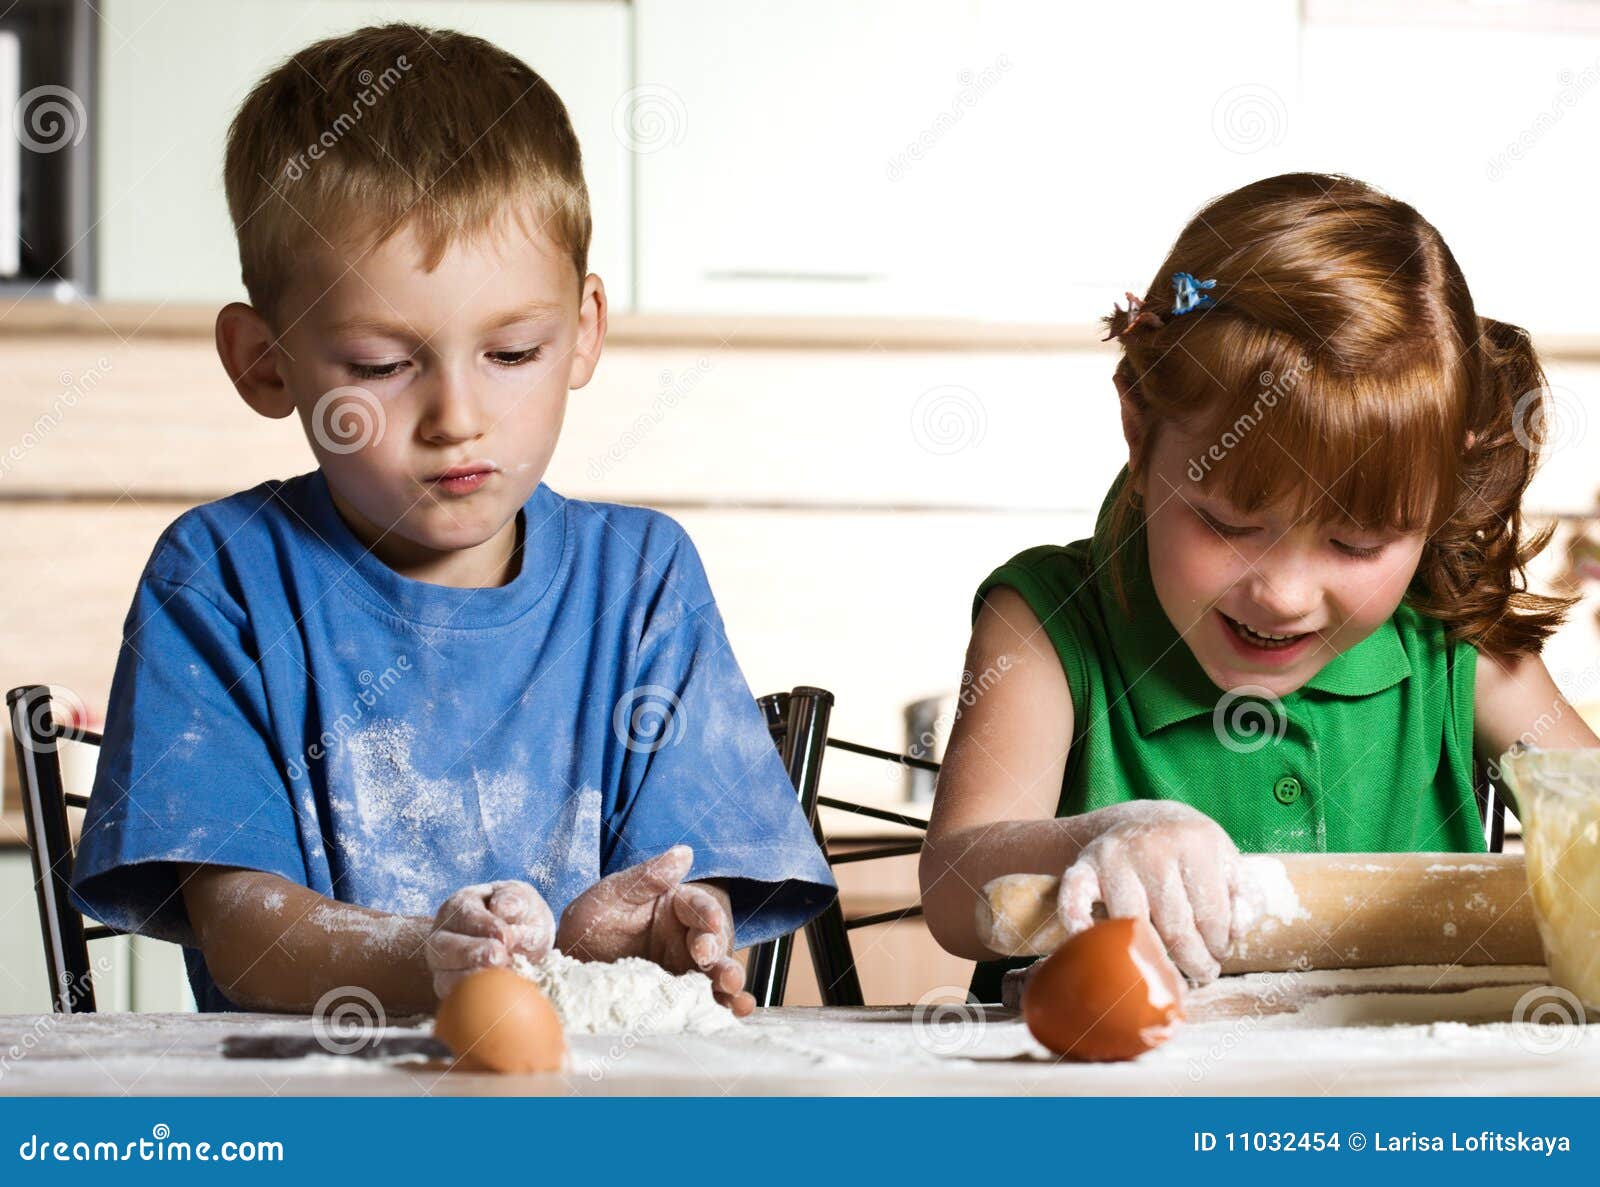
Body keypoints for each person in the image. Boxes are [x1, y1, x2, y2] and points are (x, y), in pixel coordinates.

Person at [71, 23, 833, 1015]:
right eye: (382, 366)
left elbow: (682, 894)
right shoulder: (219, 575)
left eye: (512, 352)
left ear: (583, 333)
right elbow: (241, 924)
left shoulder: (642, 578)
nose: (458, 417)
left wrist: (647, 935)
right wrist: (434, 958)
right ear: (265, 360)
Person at [919, 173, 1599, 1000]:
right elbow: (956, 884)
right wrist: (1099, 838)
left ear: (1440, 495)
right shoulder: (1048, 624)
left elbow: (1589, 817)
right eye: (1229, 525)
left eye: (1357, 541)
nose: (1282, 592)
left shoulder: (1452, 637)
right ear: (1139, 429)